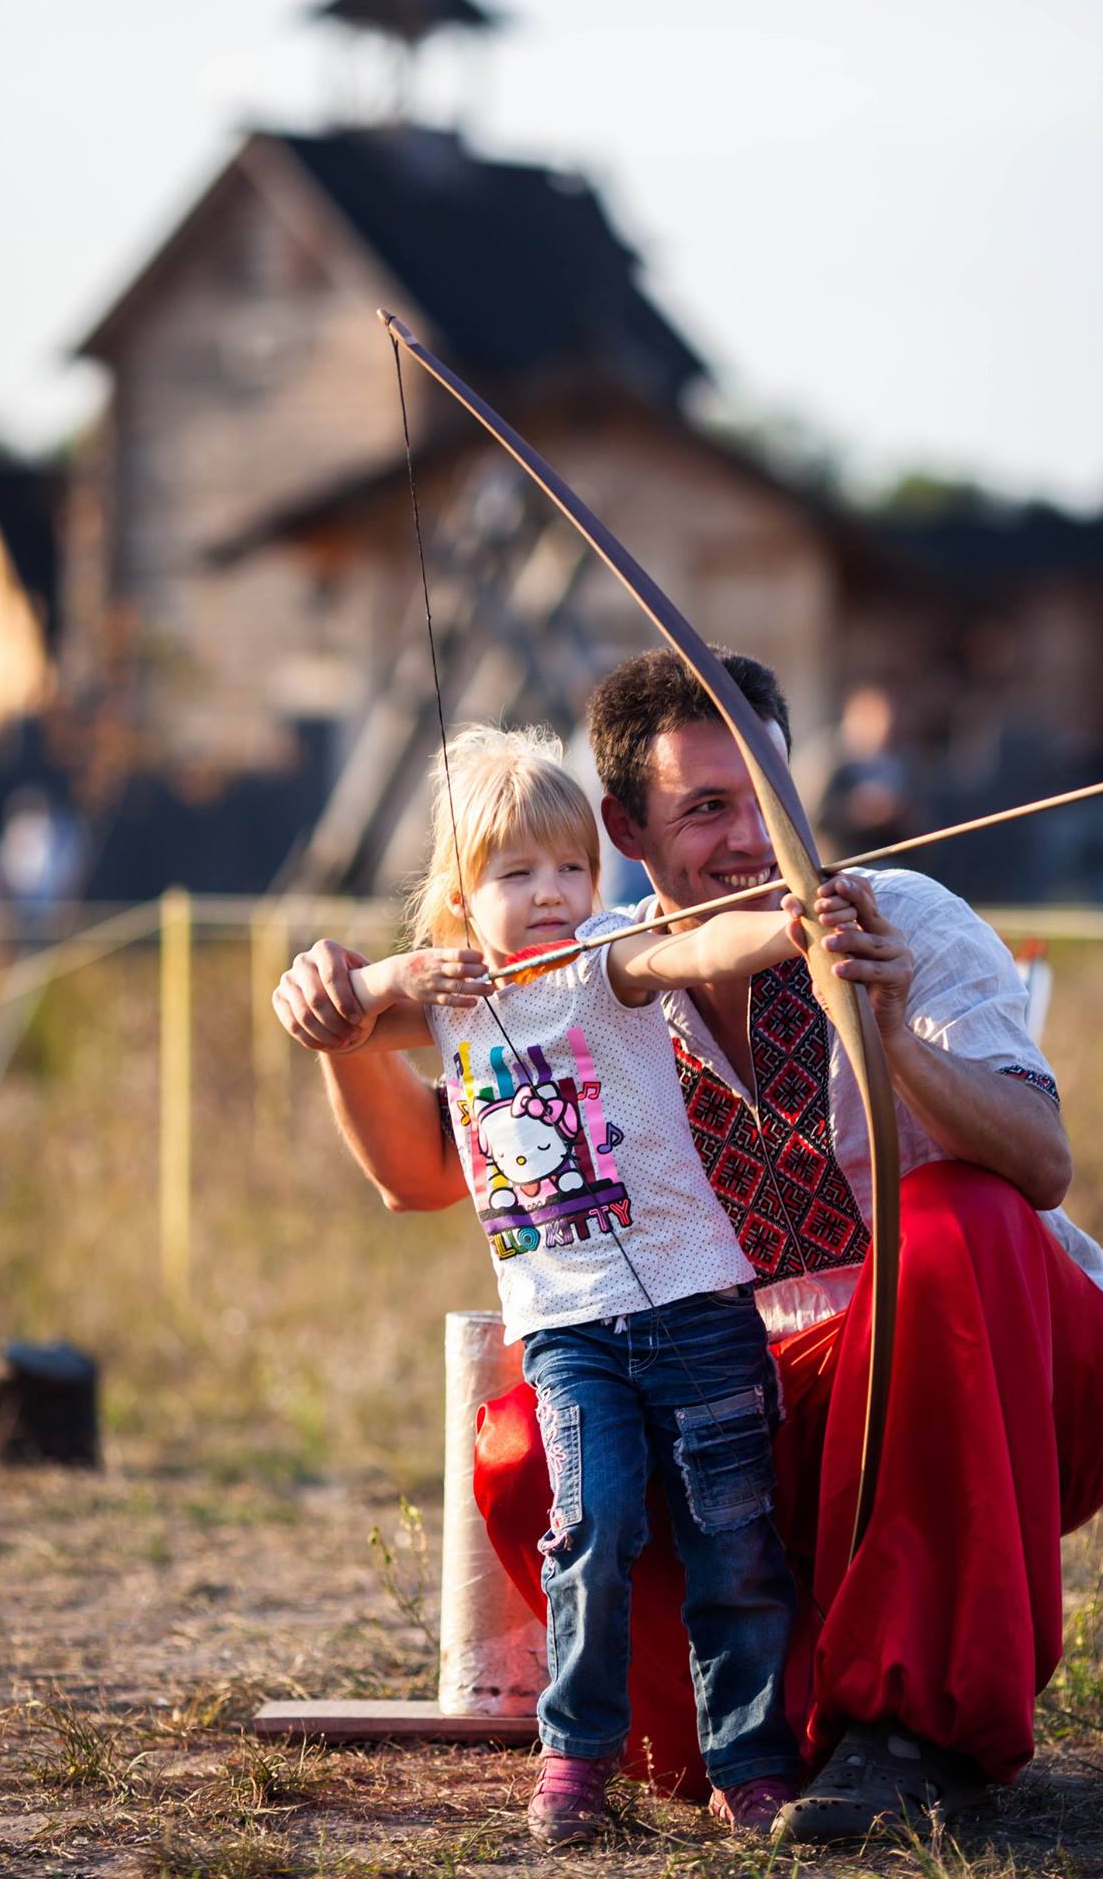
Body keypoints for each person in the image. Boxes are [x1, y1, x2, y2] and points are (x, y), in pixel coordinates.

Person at [274, 650, 1103, 1845]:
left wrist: (893, 1035)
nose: (751, 836)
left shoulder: (898, 915)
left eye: (769, 795)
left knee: (958, 1215)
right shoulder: (589, 959)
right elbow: (426, 1169)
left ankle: (919, 1729)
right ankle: (750, 1735)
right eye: (705, 807)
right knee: (528, 1446)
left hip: (1011, 1383)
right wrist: (341, 1029)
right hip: (763, 1410)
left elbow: (1041, 1164)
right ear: (625, 830)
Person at [319, 720, 849, 1843]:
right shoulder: (448, 999)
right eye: (517, 874)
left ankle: (750, 1762)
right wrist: (391, 973)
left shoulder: (607, 955)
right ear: (459, 900)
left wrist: (788, 923)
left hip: (697, 1306)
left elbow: (691, 954)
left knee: (733, 1541)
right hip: (568, 1329)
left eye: (571, 866)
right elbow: (348, 1013)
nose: (553, 892)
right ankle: (575, 1758)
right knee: (592, 1530)